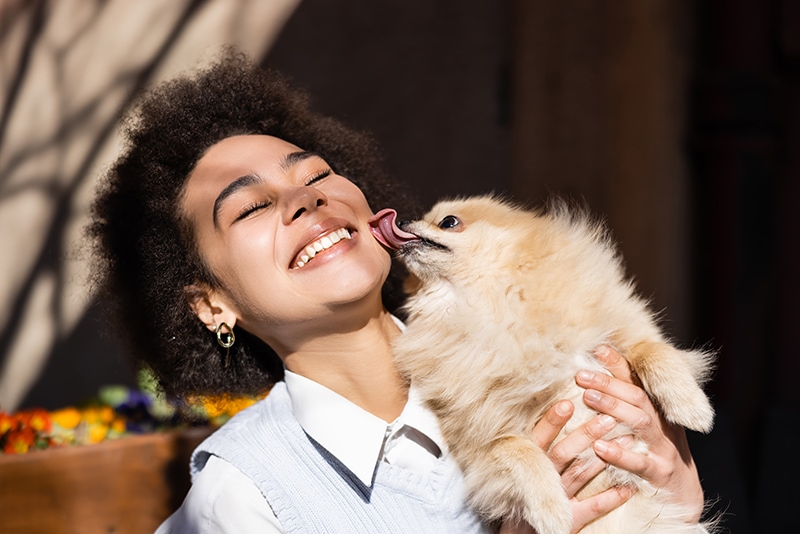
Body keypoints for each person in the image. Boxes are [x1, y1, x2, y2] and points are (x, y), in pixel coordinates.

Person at [89, 49, 708, 533]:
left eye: (318, 174)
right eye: (251, 208)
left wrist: (676, 489)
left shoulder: (523, 349)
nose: (306, 198)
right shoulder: (242, 497)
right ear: (210, 304)